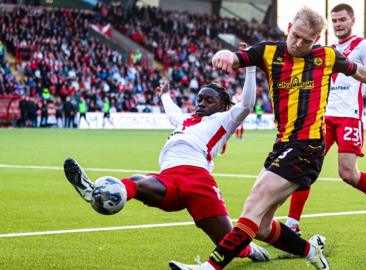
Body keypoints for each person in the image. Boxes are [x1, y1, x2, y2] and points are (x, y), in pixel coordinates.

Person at [169, 6, 366, 270]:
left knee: (253, 206)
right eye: (296, 36)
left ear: (316, 40)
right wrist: (224, 54)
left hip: (308, 147)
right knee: (262, 227)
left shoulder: (326, 56)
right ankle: (310, 250)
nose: (299, 43)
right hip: (282, 145)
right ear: (290, 27)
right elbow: (236, 57)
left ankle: (209, 267)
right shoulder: (269, 52)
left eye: (307, 40)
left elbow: (363, 72)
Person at [64, 66, 270, 263]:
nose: (202, 103)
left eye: (209, 100)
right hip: (168, 178)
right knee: (138, 181)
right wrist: (164, 94)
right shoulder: (185, 120)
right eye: (199, 99)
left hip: (198, 180)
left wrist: (250, 69)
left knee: (228, 245)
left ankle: (249, 250)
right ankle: (97, 194)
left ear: (222, 106)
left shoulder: (223, 120)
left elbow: (246, 105)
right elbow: (172, 112)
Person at [287, 3, 366, 236]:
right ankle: (292, 224)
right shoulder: (327, 50)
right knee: (305, 168)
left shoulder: (363, 46)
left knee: (348, 174)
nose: (338, 24)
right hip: (323, 118)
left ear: (352, 21)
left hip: (349, 117)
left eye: (342, 20)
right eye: (335, 20)